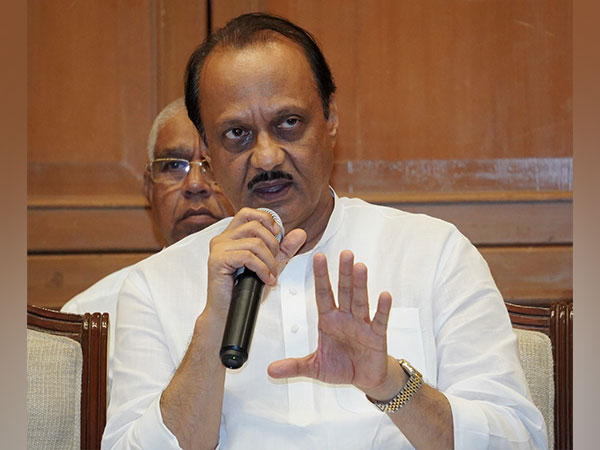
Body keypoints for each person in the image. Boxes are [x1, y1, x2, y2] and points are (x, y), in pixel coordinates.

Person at [102, 13, 547, 450]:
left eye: (289, 123)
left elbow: (519, 440)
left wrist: (390, 383)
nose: (266, 157)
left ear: (330, 119)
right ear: (207, 147)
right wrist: (213, 325)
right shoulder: (152, 286)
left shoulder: (434, 253)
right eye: (237, 133)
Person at [61, 97, 234, 395]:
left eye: (212, 165)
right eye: (173, 165)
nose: (195, 184)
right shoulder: (86, 317)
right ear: (148, 188)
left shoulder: (283, 296)